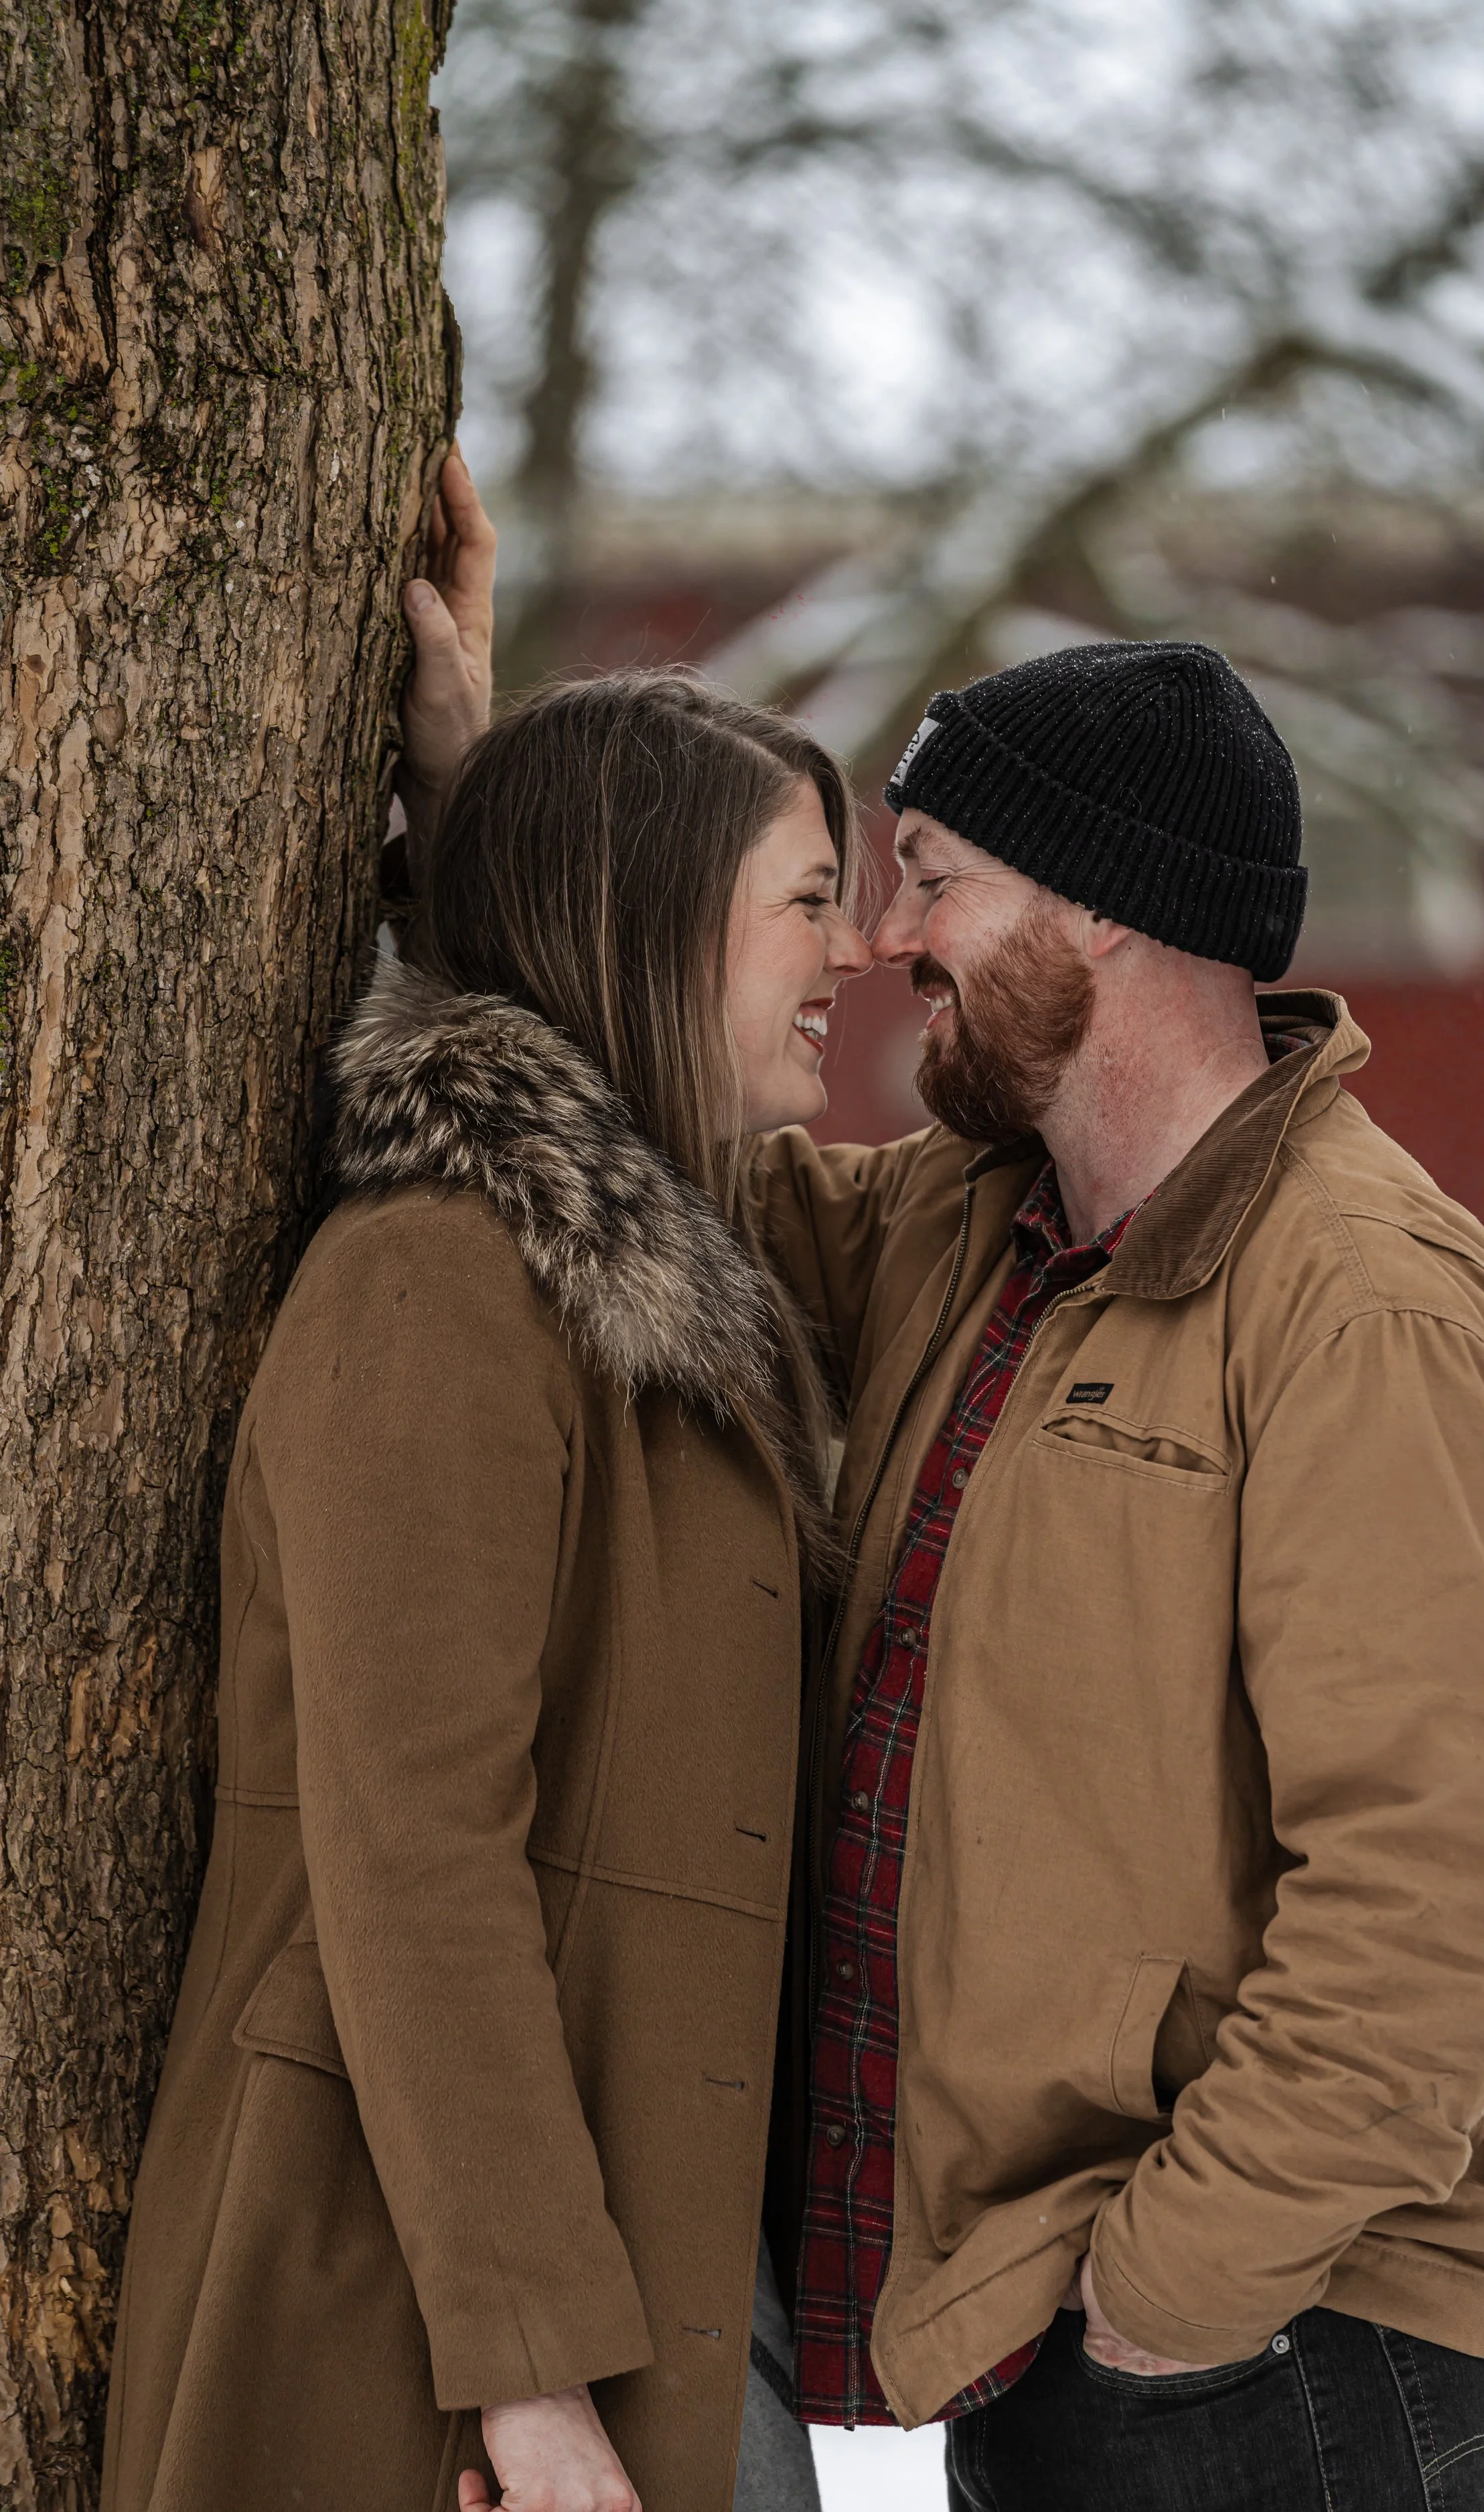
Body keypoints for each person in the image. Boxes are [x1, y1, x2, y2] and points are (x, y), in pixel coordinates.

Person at [747, 639, 1484, 2511]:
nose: (883, 935)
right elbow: (678, 1174)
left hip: (1290, 2354)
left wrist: (1173, 2292)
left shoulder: (1364, 1314)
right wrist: (469, 795)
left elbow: (1444, 1881)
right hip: (1104, 2341)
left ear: (1096, 912)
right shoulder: (979, 1229)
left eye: (931, 873)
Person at [101, 626, 872, 2507]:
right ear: (661, 915)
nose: (850, 954)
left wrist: (475, 786)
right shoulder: (438, 1287)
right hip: (420, 2319)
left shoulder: (695, 1277)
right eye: (809, 901)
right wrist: (529, 2386)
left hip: (665, 2273)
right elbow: (412, 1856)